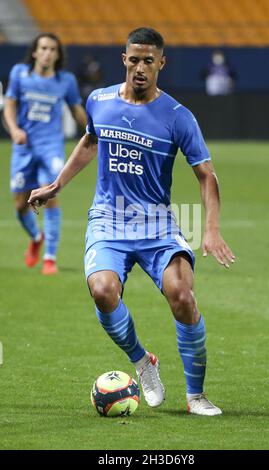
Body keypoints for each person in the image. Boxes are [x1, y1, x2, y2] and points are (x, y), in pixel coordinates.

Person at [28, 27, 235, 415]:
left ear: (161, 63)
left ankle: (196, 396)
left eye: (149, 60)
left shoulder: (178, 117)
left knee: (182, 295)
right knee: (103, 291)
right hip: (109, 218)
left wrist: (211, 229)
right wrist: (56, 184)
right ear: (124, 59)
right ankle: (143, 362)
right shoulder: (99, 100)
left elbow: (207, 175)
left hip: (158, 222)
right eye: (134, 59)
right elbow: (91, 141)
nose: (141, 67)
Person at [4, 33, 87, 274]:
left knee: (49, 194)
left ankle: (50, 257)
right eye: (43, 48)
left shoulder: (66, 81)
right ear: (34, 51)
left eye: (53, 49)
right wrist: (15, 129)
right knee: (20, 204)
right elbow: (9, 107)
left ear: (58, 55)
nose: (48, 52)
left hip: (51, 147)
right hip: (24, 148)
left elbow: (76, 112)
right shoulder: (20, 74)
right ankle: (36, 236)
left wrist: (94, 131)